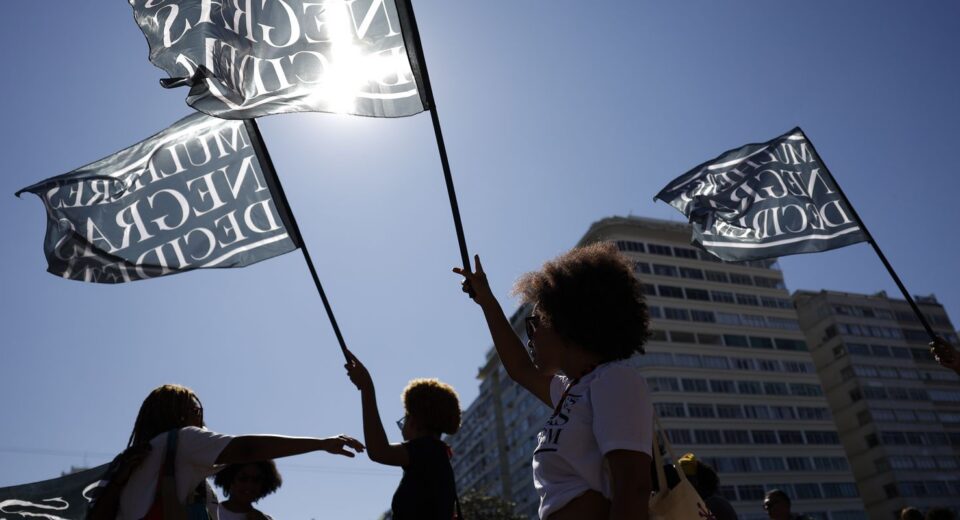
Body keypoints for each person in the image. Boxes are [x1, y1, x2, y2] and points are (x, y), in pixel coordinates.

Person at [454, 243, 654, 520]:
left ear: (565, 321)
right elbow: (519, 368)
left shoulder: (614, 380)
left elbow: (633, 487)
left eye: (534, 324)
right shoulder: (574, 390)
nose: (530, 338)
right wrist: (486, 300)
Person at [88, 384, 364, 520]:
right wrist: (320, 443)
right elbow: (248, 448)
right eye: (196, 410)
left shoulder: (129, 461)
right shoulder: (184, 441)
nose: (201, 417)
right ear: (180, 414)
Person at [344, 349, 461, 520]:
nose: (402, 426)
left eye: (404, 418)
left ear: (415, 420)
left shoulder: (426, 450)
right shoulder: (436, 456)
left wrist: (367, 388)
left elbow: (378, 451)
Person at [213, 461, 282, 520]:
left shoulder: (264, 519)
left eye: (256, 480)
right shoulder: (210, 511)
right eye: (243, 479)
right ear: (230, 480)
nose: (249, 485)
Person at [676, 453, 738, 520]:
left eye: (682, 481)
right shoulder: (715, 502)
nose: (678, 486)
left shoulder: (711, 505)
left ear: (695, 481)